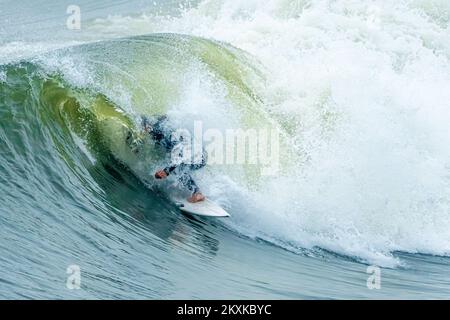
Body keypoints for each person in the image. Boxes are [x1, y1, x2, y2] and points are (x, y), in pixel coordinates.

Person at [126, 115, 207, 203]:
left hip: (197, 157)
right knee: (180, 169)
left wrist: (166, 171)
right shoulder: (165, 129)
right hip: (200, 155)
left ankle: (197, 193)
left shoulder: (165, 136)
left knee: (178, 169)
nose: (145, 131)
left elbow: (179, 157)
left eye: (145, 128)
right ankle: (193, 190)